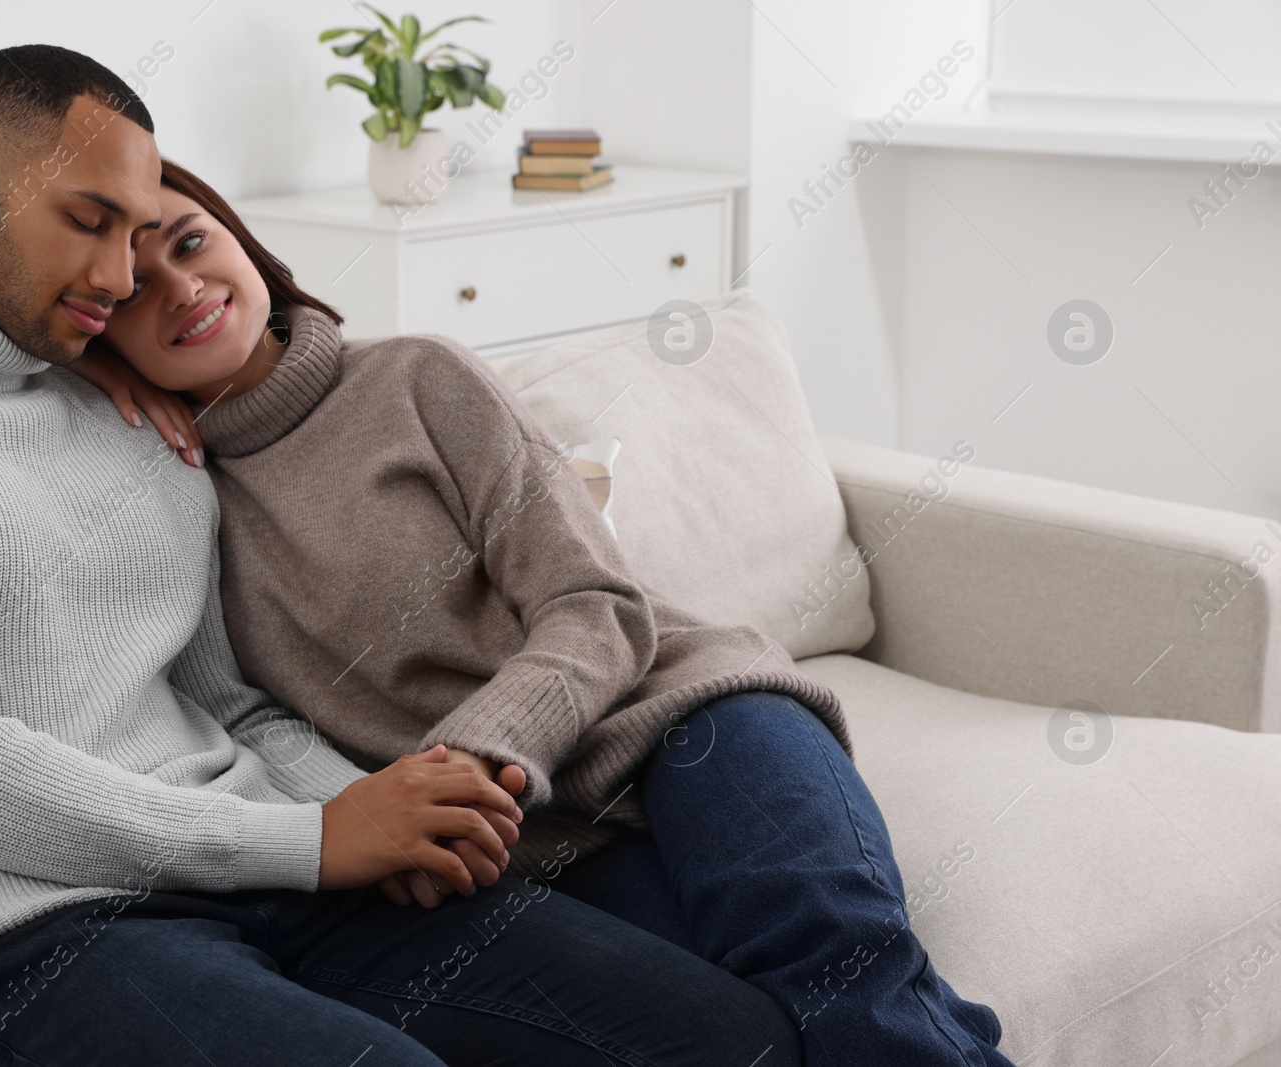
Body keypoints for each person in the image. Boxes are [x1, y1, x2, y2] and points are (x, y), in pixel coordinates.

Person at [0, 45, 803, 1067]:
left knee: (732, 1037)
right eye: (88, 219)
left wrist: (397, 813)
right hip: (12, 941)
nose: (121, 276)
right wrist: (312, 839)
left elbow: (235, 708)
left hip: (270, 878)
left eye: (137, 230)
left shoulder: (132, 421)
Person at [73, 155, 1018, 1067]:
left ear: (241, 242)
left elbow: (593, 600)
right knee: (753, 1024)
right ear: (100, 333)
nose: (179, 288)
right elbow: (248, 723)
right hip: (533, 844)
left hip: (686, 718)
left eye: (190, 243)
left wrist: (476, 752)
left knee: (839, 962)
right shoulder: (170, 505)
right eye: (130, 290)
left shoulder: (415, 378)